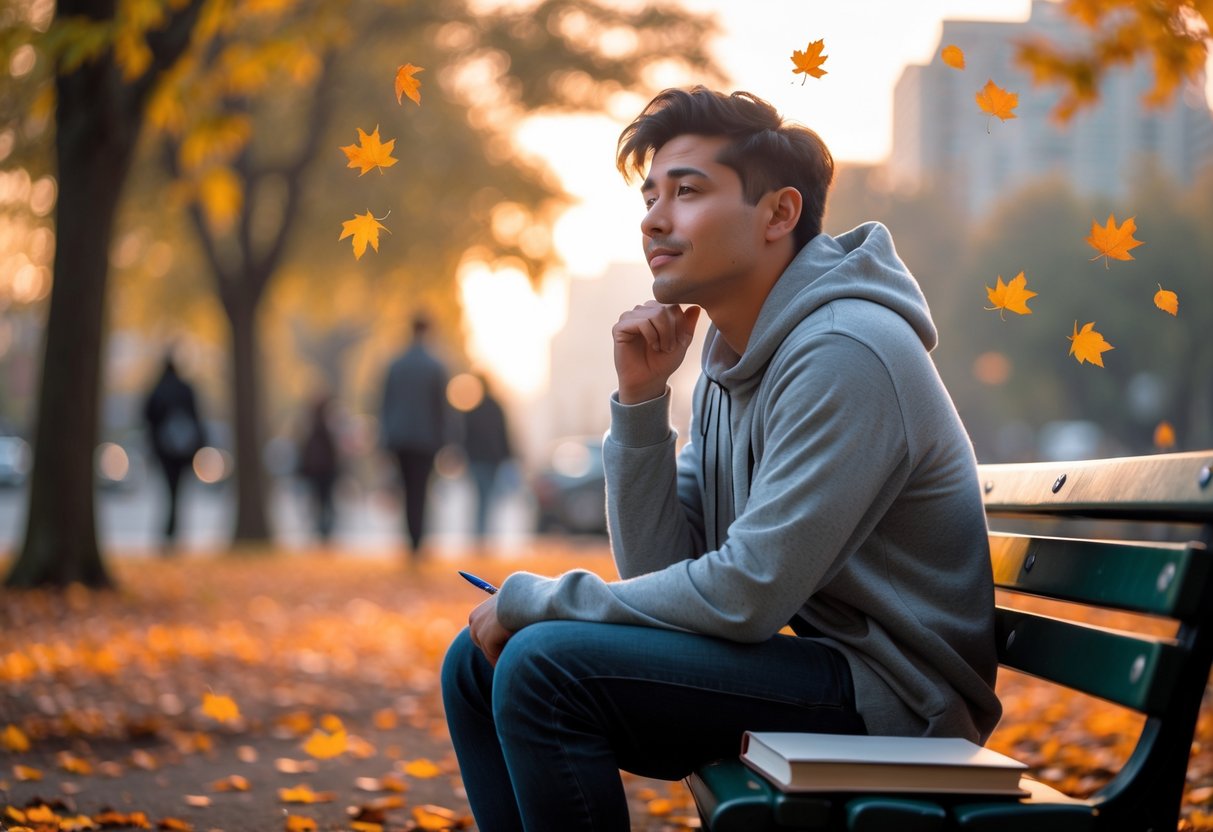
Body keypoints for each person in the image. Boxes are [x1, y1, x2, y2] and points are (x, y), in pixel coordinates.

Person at [441, 87, 1002, 831]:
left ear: (778, 214)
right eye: (650, 196)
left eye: (687, 191)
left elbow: (745, 594)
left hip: (897, 702)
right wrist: (641, 407)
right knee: (474, 665)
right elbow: (659, 571)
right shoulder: (729, 361)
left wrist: (541, 598)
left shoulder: (845, 352)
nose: (653, 218)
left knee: (543, 665)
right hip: (812, 667)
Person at [380, 313, 450, 560]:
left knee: (407, 488)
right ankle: (418, 540)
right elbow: (441, 407)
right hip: (426, 438)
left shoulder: (395, 365)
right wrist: (445, 439)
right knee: (420, 489)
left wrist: (386, 437)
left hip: (400, 437)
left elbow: (385, 403)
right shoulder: (436, 366)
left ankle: (411, 538)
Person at [142, 352, 206, 553]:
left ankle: (169, 532)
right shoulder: (185, 390)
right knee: (178, 492)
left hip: (164, 451)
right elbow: (198, 418)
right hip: (184, 451)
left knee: (168, 491)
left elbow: (146, 418)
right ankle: (174, 531)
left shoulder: (157, 390)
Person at [460, 373, 513, 550]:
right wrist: (508, 456)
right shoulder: (496, 407)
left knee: (479, 498)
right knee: (488, 498)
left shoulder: (472, 408)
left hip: (476, 460)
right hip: (492, 460)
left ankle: (479, 535)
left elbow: (464, 436)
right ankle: (484, 535)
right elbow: (504, 435)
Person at [297, 393, 340, 543]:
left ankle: (322, 528)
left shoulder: (310, 426)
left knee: (319, 500)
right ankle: (325, 529)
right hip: (326, 470)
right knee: (326, 500)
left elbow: (305, 449)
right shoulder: (328, 426)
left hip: (316, 471)